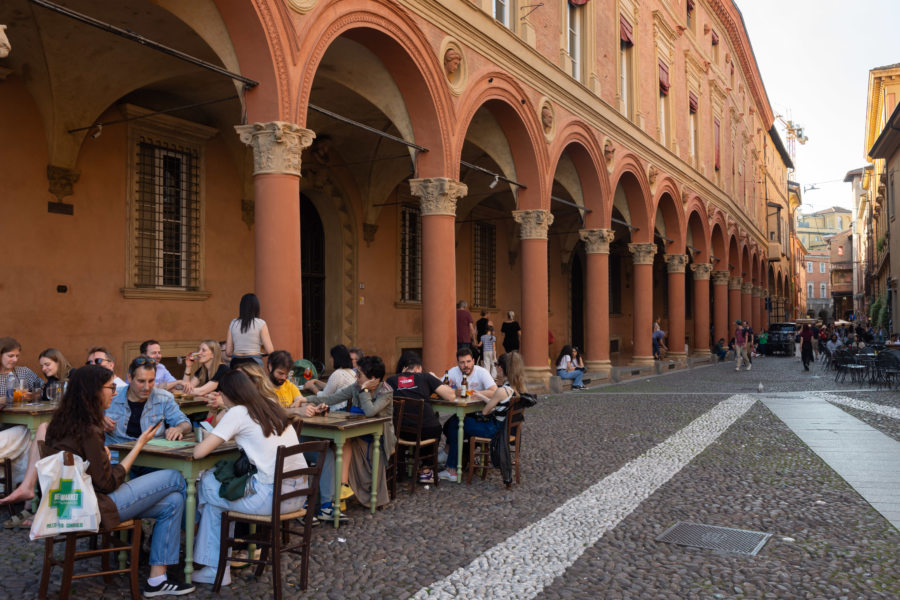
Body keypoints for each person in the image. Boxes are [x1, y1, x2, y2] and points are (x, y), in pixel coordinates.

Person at [44, 365, 193, 597]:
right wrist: (140, 444)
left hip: (72, 502)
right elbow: (107, 484)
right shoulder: (89, 429)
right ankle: (191, 535)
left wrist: (104, 459)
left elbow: (95, 474)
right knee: (175, 478)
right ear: (93, 391)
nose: (115, 393)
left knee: (173, 501)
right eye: (111, 388)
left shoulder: (63, 422)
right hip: (94, 506)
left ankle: (157, 579)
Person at [191, 370, 306, 586]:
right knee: (216, 501)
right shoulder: (270, 405)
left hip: (272, 498)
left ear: (227, 394)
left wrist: (211, 434)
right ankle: (215, 566)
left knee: (208, 482)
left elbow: (199, 453)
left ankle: (215, 567)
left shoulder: (238, 412)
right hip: (297, 495)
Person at [309, 356, 395, 520]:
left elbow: (370, 412)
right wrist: (306, 399)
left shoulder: (386, 391)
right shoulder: (355, 386)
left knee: (343, 443)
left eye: (360, 375)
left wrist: (364, 391)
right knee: (336, 444)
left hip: (376, 438)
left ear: (373, 380)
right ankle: (336, 493)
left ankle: (341, 489)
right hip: (355, 433)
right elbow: (332, 398)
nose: (356, 378)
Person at [438, 351, 527, 482]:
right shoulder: (514, 388)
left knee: (456, 424)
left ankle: (452, 469)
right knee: (454, 424)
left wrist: (486, 400)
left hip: (492, 430)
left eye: (497, 365)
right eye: (462, 362)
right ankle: (457, 458)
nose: (496, 368)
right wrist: (481, 396)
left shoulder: (501, 390)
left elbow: (486, 411)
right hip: (502, 428)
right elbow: (499, 405)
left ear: (501, 368)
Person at [385, 352, 455, 483]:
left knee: (404, 427)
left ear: (403, 368)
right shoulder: (425, 377)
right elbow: (451, 396)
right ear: (418, 368)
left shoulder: (391, 380)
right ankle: (426, 471)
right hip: (425, 431)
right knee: (434, 429)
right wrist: (434, 379)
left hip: (401, 432)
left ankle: (398, 467)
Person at [106, 356, 192, 447]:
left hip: (151, 455)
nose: (146, 387)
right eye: (141, 381)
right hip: (117, 456)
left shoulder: (164, 398)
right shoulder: (111, 395)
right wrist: (99, 422)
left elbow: (185, 423)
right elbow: (91, 420)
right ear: (130, 378)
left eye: (151, 381)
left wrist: (178, 429)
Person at [0, 338, 41, 509]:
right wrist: (5, 399)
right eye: (10, 356)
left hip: (19, 424)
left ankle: (22, 492)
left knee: (29, 432)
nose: (14, 360)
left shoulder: (22, 372)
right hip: (5, 428)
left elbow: (42, 387)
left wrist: (34, 395)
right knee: (31, 434)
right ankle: (27, 494)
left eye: (17, 356)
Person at [226, 293, 274, 368]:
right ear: (256, 307)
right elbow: (270, 351)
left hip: (236, 362)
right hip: (254, 362)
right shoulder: (260, 323)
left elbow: (228, 352)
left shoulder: (233, 323)